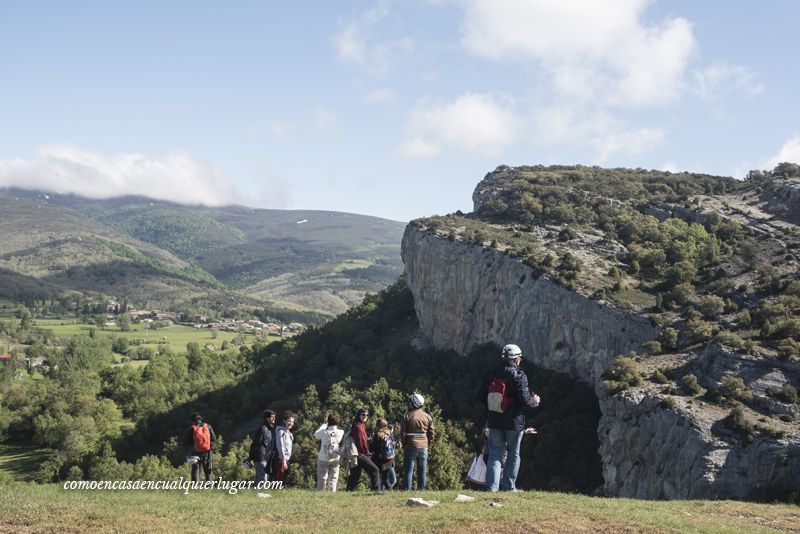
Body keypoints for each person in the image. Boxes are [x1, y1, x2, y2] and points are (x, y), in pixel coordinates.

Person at [479, 343, 541, 492]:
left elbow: (481, 396)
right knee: (513, 454)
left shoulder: (491, 373)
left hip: (494, 420)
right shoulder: (519, 376)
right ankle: (508, 487)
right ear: (517, 358)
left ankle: (492, 488)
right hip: (514, 422)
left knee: (494, 454)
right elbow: (525, 400)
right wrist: (536, 401)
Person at [400, 393, 435, 490]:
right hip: (424, 446)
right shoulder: (427, 416)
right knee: (422, 470)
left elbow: (403, 432)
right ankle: (421, 490)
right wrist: (428, 444)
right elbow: (432, 433)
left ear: (413, 403)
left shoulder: (407, 415)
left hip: (410, 445)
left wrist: (404, 444)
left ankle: (407, 490)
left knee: (408, 470)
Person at [346, 407, 381, 491]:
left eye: (367, 415)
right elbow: (360, 443)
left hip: (356, 454)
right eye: (363, 414)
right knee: (375, 470)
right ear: (359, 415)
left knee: (355, 475)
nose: (365, 416)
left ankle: (349, 490)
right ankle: (376, 490)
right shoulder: (358, 427)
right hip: (360, 454)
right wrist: (367, 453)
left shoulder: (360, 425)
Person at [314, 413, 344, 491]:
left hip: (323, 458)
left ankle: (320, 495)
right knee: (333, 478)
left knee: (322, 478)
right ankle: (332, 495)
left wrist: (324, 425)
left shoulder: (324, 432)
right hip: (335, 457)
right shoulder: (341, 432)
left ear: (328, 421)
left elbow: (316, 434)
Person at [186, 412, 216, 482]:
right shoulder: (208, 426)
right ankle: (209, 486)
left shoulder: (192, 428)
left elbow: (188, 441)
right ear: (200, 419)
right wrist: (211, 448)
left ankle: (195, 486)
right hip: (208, 451)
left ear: (193, 420)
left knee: (195, 470)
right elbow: (213, 438)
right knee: (208, 470)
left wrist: (194, 446)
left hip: (196, 451)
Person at [370, 418, 395, 491]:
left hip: (380, 459)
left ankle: (378, 492)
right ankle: (390, 492)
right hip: (389, 459)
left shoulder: (378, 435)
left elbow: (373, 448)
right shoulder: (390, 433)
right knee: (386, 479)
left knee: (379, 479)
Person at [253, 409, 277, 486]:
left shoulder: (268, 429)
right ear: (267, 418)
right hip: (260, 457)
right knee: (263, 479)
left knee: (258, 479)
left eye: (274, 417)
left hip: (264, 457)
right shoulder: (263, 429)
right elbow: (256, 444)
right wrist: (251, 457)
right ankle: (261, 495)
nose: (274, 419)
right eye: (272, 417)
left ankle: (253, 495)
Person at [272, 411, 295, 483]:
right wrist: (283, 461)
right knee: (278, 480)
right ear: (284, 421)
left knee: (282, 480)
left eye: (292, 422)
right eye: (289, 421)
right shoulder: (281, 432)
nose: (291, 423)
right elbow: (280, 446)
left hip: (285, 460)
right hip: (280, 460)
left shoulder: (288, 433)